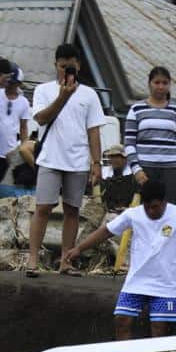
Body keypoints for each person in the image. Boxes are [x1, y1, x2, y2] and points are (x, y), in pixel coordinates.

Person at [60, 179, 176, 338]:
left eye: (155, 207)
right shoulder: (132, 214)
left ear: (164, 202)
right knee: (121, 320)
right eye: (147, 207)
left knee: (160, 327)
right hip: (135, 282)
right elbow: (106, 231)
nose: (150, 211)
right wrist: (79, 249)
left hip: (166, 287)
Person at [26, 42, 107, 277]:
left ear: (78, 66)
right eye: (62, 67)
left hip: (78, 160)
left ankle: (66, 260)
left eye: (70, 67)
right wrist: (62, 96)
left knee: (73, 210)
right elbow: (41, 118)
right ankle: (32, 260)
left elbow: (94, 131)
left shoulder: (90, 94)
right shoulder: (43, 90)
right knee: (43, 208)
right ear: (55, 66)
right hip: (51, 158)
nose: (66, 72)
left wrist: (97, 163)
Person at [124, 66, 176, 202]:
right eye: (157, 82)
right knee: (142, 209)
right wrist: (136, 169)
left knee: (167, 210)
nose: (160, 86)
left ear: (169, 85)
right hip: (144, 169)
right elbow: (129, 143)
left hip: (169, 170)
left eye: (165, 83)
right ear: (149, 84)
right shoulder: (136, 109)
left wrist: (166, 153)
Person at [0, 66, 31, 195]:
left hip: (9, 149)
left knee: (1, 182)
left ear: (18, 84)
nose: (8, 84)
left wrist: (23, 147)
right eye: (7, 81)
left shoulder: (23, 102)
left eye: (12, 82)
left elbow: (23, 127)